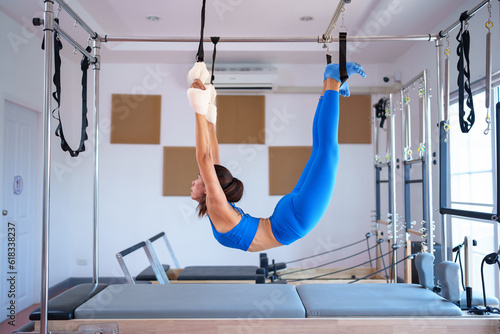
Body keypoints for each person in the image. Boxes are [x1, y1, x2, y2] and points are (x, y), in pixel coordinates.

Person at [187, 62, 366, 252]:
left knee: (324, 152)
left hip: (290, 222)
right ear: (207, 188)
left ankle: (332, 84)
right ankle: (332, 84)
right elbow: (205, 158)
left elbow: (212, 157)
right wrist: (199, 109)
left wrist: (208, 114)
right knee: (325, 152)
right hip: (288, 222)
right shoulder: (216, 203)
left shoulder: (218, 202)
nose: (193, 182)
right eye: (200, 178)